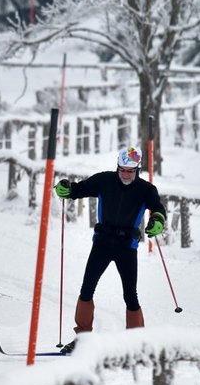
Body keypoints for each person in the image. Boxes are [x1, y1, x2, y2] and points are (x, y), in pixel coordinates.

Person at [53, 145, 166, 352]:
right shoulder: (104, 180)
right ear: (117, 167)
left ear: (137, 170)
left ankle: (136, 342)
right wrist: (67, 188)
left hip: (127, 246)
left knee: (130, 295)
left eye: (130, 171)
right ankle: (82, 339)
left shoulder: (146, 189)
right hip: (102, 243)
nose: (125, 174)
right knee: (86, 289)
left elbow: (157, 207)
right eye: (122, 169)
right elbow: (80, 189)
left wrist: (158, 220)